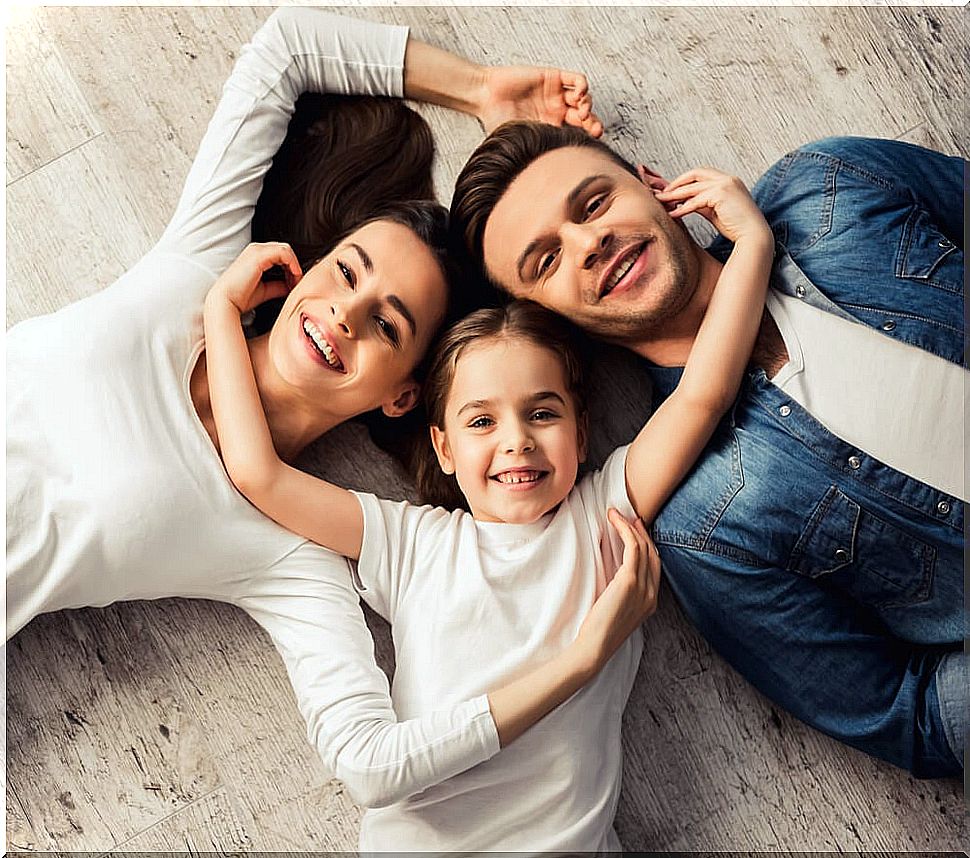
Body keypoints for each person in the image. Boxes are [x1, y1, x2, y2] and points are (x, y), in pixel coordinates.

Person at [5, 6, 616, 813]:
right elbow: (285, 48)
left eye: (388, 324)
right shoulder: (192, 272)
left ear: (403, 395)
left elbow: (371, 764)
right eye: (345, 271)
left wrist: (580, 661)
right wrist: (478, 91)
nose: (344, 314)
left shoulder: (285, 552)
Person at [200, 162, 773, 850]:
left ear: (581, 431)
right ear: (441, 446)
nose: (517, 443)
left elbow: (701, 395)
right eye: (481, 422)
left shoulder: (602, 516)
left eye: (542, 412)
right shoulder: (411, 542)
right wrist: (222, 315)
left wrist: (752, 247)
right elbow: (258, 473)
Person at [448, 122, 967, 778]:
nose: (589, 242)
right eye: (547, 261)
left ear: (651, 186)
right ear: (550, 320)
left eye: (594, 204)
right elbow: (907, 716)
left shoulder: (830, 185)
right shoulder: (704, 524)